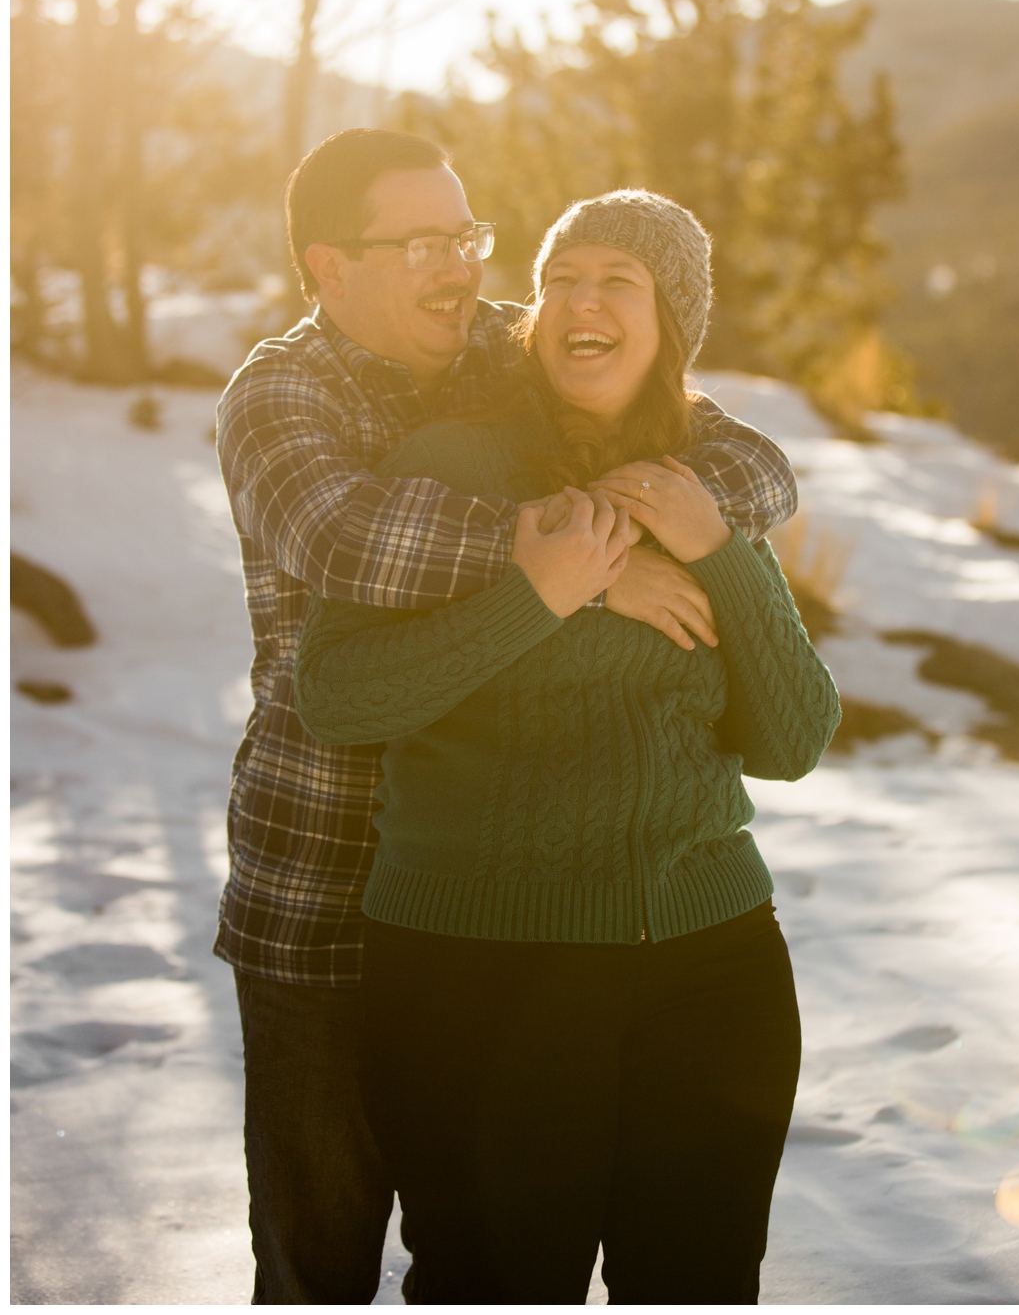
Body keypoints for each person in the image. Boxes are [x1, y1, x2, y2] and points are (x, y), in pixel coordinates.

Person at [215, 130, 798, 1303]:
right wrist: (572, 560)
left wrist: (635, 531)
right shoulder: (281, 390)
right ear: (330, 266)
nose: (460, 267)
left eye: (468, 236)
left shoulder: (501, 347)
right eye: (423, 242)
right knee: (318, 1255)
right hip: (324, 877)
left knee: (485, 1250)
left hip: (499, 893)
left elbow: (738, 460)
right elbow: (343, 535)